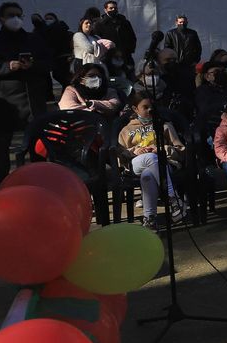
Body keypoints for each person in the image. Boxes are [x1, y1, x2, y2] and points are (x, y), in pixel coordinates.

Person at [0, 2, 52, 186]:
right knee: (2, 145)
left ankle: (38, 182)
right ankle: (1, 183)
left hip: (32, 98)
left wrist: (33, 65)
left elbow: (49, 63)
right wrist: (8, 66)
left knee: (37, 144)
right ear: (1, 18)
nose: (15, 19)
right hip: (4, 101)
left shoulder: (34, 39)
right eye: (11, 15)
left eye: (19, 15)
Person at [119, 92, 186, 229]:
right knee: (150, 158)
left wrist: (162, 149)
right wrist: (134, 151)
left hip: (162, 162)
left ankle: (150, 218)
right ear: (135, 109)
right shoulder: (126, 130)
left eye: (152, 107)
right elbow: (120, 154)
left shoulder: (165, 126)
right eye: (145, 107)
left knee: (148, 175)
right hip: (136, 163)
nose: (150, 110)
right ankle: (173, 199)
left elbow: (180, 150)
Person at [57, 62, 124, 122]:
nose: (96, 79)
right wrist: (93, 111)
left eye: (99, 76)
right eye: (91, 76)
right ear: (81, 79)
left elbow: (114, 105)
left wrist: (92, 103)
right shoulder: (71, 90)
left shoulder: (109, 91)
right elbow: (68, 108)